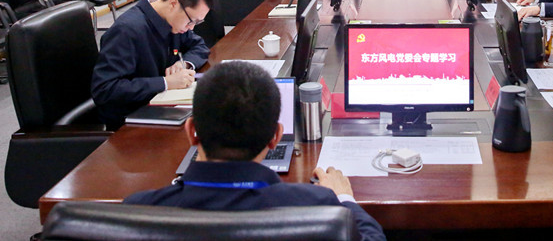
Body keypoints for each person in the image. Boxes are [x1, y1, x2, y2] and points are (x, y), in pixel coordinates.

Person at [124, 61, 386, 241]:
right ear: (275, 137)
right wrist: (344, 198)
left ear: (192, 131)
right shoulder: (317, 206)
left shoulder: (136, 213)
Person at [92, 0, 210, 129]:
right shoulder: (127, 30)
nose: (191, 28)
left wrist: (185, 64)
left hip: (159, 105)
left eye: (197, 22)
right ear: (173, 4)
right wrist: (165, 83)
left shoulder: (172, 21)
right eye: (191, 21)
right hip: (130, 121)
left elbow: (199, 46)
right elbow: (105, 89)